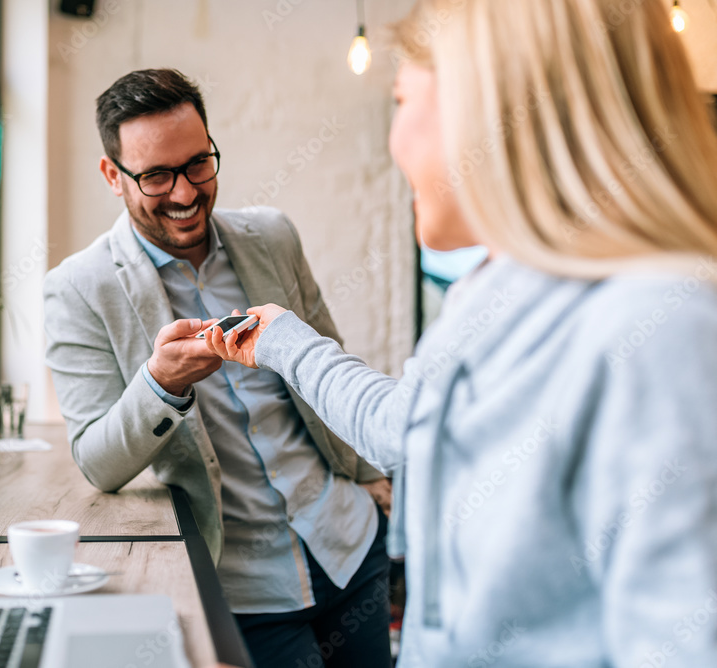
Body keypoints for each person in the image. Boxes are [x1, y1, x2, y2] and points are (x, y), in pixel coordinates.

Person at [203, 0, 717, 665]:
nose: (394, 142)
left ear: (484, 105)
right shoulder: (492, 293)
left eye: (401, 98)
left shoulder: (661, 329)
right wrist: (280, 340)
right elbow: (406, 425)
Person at [43, 69, 392, 667]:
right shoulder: (77, 288)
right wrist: (161, 384)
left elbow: (330, 361)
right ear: (113, 176)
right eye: (155, 175)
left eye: (198, 164)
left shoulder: (273, 236)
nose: (184, 193)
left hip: (350, 544)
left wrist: (365, 475)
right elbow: (96, 461)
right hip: (242, 585)